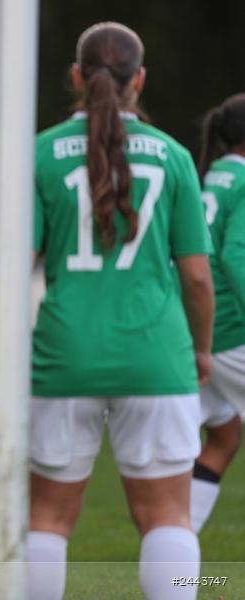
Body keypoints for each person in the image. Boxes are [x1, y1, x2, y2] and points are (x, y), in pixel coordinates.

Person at [27, 22, 213, 600]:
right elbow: (198, 278)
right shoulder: (177, 157)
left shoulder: (39, 153)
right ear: (140, 81)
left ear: (78, 78)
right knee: (166, 518)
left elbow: (10, 270)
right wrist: (201, 349)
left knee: (47, 522)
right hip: (157, 357)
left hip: (63, 359)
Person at [189, 93, 245, 533]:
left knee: (224, 436)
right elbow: (236, 256)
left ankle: (175, 541)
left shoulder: (213, 175)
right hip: (232, 332)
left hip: (204, 332)